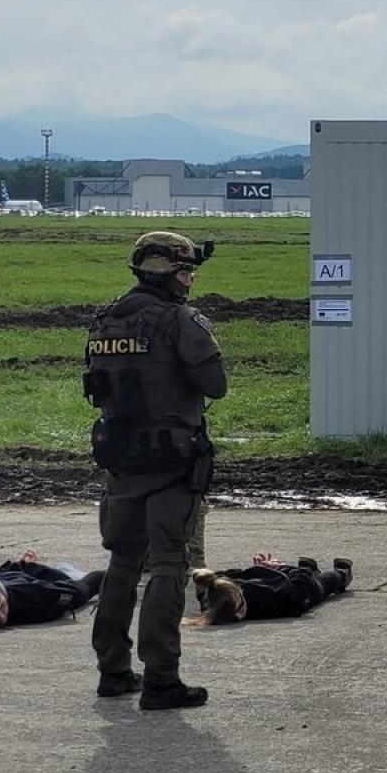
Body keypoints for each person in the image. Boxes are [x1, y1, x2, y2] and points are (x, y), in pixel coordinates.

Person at [84, 231, 226, 710]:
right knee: (169, 563)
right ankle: (162, 679)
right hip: (170, 460)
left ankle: (113, 671)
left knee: (123, 563)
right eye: (186, 271)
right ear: (168, 271)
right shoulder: (179, 320)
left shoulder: (105, 321)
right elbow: (215, 384)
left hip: (121, 460)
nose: (189, 280)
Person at [186, 555, 354, 626]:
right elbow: (300, 584)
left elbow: (211, 582)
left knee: (303, 575)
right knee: (321, 584)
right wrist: (281, 567)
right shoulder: (270, 599)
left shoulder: (211, 597)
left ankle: (307, 569)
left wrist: (260, 569)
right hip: (297, 596)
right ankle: (342, 575)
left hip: (269, 580)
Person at [0, 551, 104, 627]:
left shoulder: (38, 594)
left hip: (50, 582)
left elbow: (91, 583)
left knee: (79, 591)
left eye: (2, 606)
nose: (2, 617)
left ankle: (67, 572)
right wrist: (17, 566)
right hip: (12, 575)